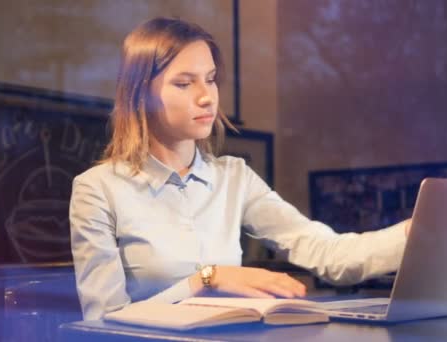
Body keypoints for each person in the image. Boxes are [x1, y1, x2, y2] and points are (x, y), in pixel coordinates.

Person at [69, 17, 410, 321]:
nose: (207, 97)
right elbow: (102, 319)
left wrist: (414, 233)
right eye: (184, 83)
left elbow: (328, 253)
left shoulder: (235, 177)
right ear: (140, 95)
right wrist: (207, 279)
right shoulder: (97, 189)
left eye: (211, 79)